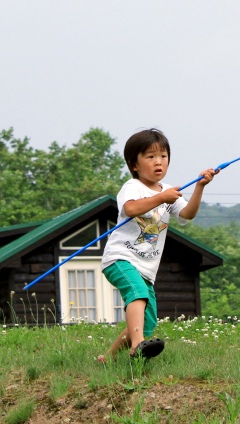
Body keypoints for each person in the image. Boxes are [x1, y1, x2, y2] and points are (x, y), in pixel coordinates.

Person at [97, 128, 218, 363]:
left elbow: (187, 213)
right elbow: (130, 209)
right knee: (138, 295)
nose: (158, 162)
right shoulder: (132, 187)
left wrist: (200, 186)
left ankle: (108, 359)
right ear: (134, 164)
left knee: (148, 322)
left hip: (147, 268)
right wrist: (161, 198)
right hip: (120, 259)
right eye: (150, 157)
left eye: (163, 156)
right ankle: (137, 345)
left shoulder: (167, 191)